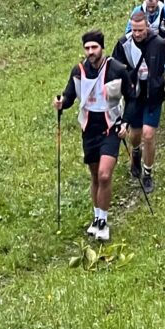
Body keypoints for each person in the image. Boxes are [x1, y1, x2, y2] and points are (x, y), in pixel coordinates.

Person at [55, 30, 127, 242]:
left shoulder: (116, 68)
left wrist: (126, 123)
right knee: (95, 176)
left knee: (105, 175)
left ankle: (103, 222)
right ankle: (96, 218)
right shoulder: (78, 71)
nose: (90, 52)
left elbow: (131, 97)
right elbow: (69, 97)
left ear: (102, 48)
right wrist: (61, 103)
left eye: (94, 47)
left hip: (111, 127)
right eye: (87, 48)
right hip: (89, 129)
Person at [112, 8, 165, 194]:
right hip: (133, 96)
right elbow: (113, 68)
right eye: (134, 30)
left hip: (154, 94)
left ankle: (148, 173)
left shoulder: (159, 43)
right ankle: (135, 152)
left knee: (148, 135)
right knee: (134, 134)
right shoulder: (123, 44)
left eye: (140, 30)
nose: (137, 34)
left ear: (147, 27)